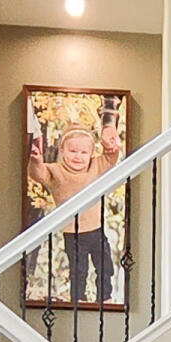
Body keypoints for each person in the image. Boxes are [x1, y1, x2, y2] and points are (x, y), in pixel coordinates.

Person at [27, 106, 125, 306]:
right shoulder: (56, 172)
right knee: (79, 269)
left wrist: (111, 147)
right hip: (73, 232)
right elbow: (38, 173)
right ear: (62, 150)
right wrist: (35, 160)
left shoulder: (95, 167)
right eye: (72, 151)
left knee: (104, 265)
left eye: (84, 152)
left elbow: (109, 159)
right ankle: (77, 298)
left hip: (96, 229)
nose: (78, 157)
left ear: (91, 153)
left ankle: (104, 297)